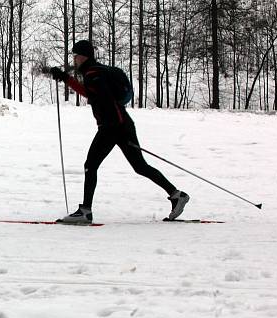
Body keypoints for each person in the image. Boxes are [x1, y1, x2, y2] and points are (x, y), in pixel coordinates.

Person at [50, 40, 189, 224]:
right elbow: (92, 94)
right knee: (140, 166)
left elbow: (106, 100)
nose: (74, 59)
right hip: (121, 125)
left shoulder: (93, 73)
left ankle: (85, 211)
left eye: (75, 56)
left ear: (83, 56)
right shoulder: (94, 72)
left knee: (90, 165)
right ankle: (176, 195)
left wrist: (116, 129)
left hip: (113, 126)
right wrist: (66, 79)